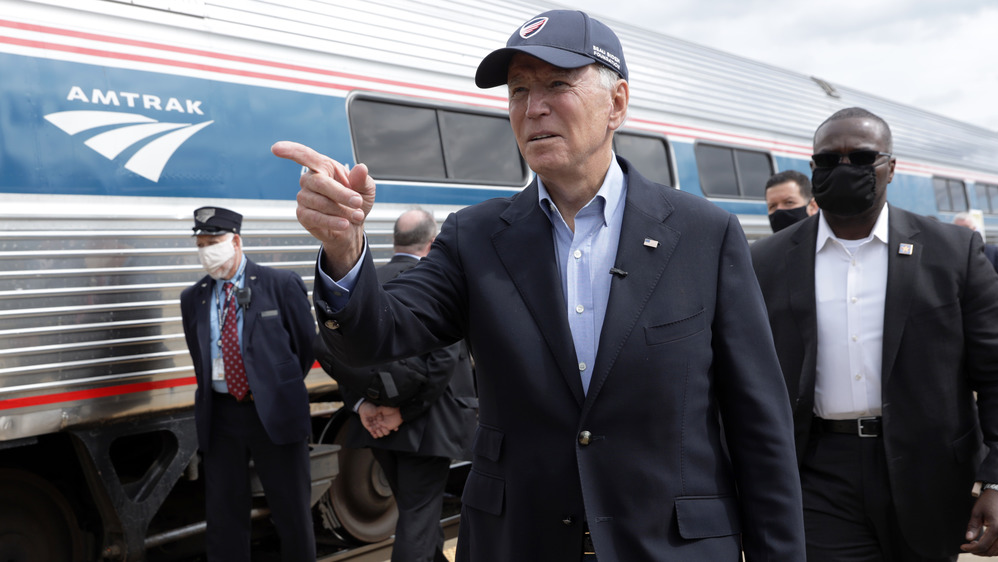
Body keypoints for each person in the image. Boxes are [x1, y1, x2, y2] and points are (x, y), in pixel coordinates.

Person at [273, 9, 805, 561]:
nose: (534, 108)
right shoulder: (476, 237)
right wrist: (343, 249)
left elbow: (758, 425)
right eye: (518, 90)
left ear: (616, 103)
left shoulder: (702, 234)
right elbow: (376, 336)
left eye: (556, 84)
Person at [750, 107, 998, 561]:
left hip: (929, 471)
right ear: (813, 168)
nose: (843, 169)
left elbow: (996, 370)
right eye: (828, 160)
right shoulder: (766, 262)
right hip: (819, 471)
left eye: (861, 158)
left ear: (891, 167)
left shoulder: (952, 252)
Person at [315, 208, 478, 562]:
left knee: (414, 513)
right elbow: (444, 362)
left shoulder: (364, 282)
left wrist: (364, 407)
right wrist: (401, 412)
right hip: (427, 425)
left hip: (376, 426)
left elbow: (339, 353)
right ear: (432, 243)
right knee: (418, 519)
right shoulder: (431, 282)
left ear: (395, 241)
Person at [179, 206, 317, 561]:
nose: (207, 250)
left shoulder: (279, 284)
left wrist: (272, 387)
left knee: (291, 511)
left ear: (236, 241)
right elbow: (200, 357)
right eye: (201, 243)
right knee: (224, 515)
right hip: (222, 417)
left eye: (214, 242)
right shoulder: (193, 297)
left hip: (273, 412)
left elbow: (304, 347)